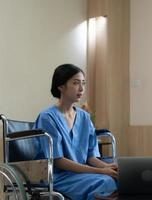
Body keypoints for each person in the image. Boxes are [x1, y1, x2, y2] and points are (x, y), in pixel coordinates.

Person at [34, 64, 117, 200]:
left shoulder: (84, 117)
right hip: (57, 175)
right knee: (104, 181)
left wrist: (109, 167)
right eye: (76, 83)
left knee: (119, 179)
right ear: (61, 87)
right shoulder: (47, 118)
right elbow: (58, 161)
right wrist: (101, 171)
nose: (81, 88)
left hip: (80, 174)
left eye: (83, 83)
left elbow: (91, 157)